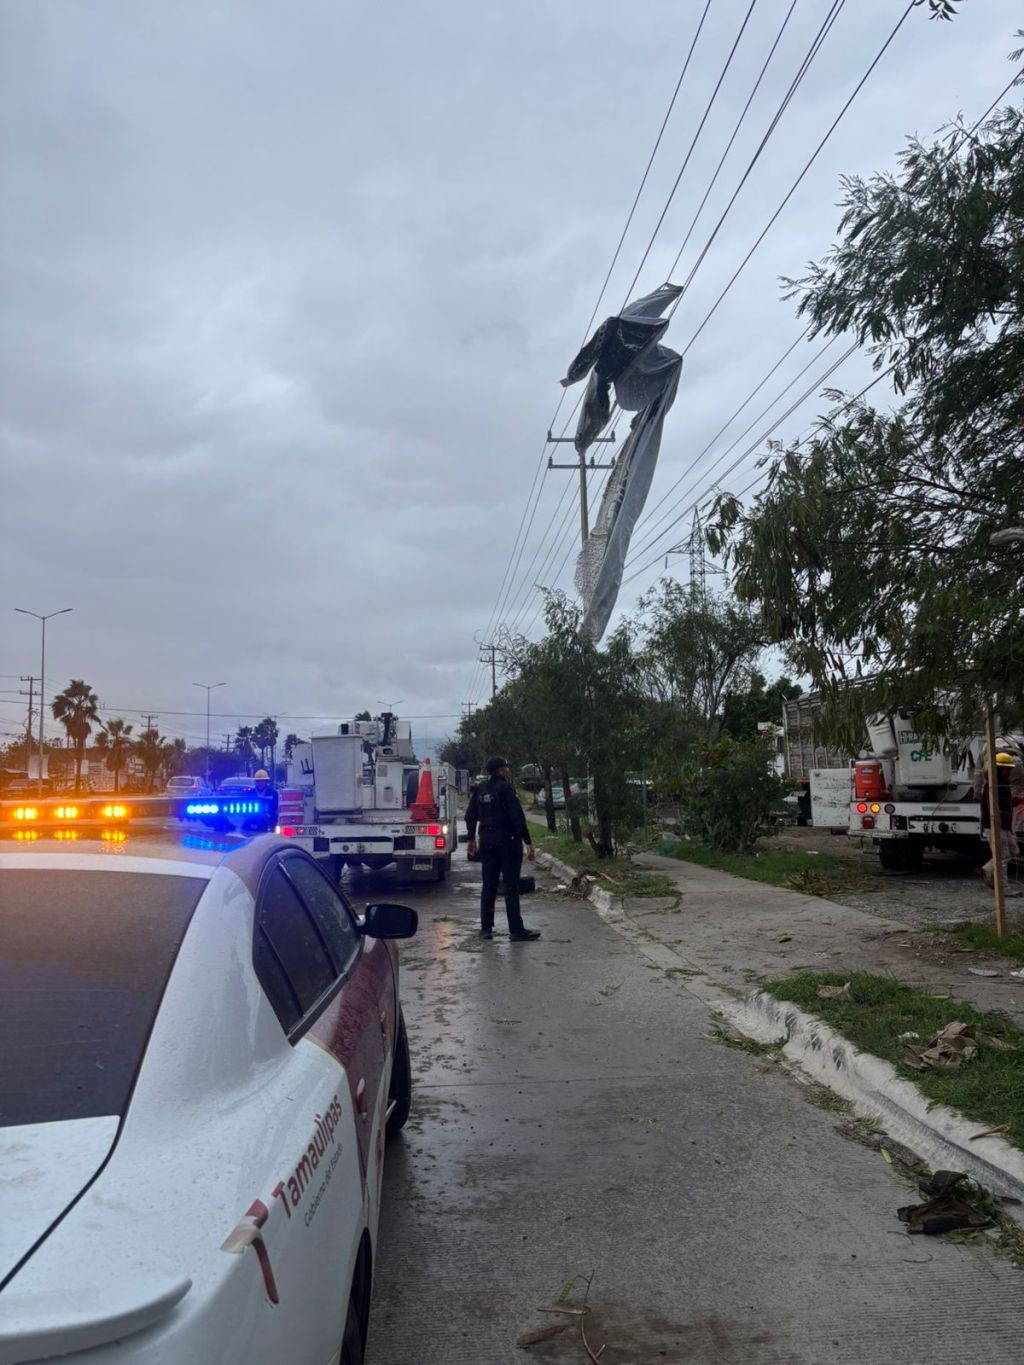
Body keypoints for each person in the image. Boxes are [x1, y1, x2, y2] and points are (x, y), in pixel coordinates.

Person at [465, 757, 540, 941]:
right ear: (500, 771)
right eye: (506, 768)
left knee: (489, 885)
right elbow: (517, 817)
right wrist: (528, 842)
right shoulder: (506, 788)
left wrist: (471, 839)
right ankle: (516, 930)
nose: (508, 770)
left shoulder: (480, 789)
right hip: (507, 842)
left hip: (487, 841)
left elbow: (470, 815)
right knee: (511, 886)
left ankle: (486, 929)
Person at [980, 752, 1022, 896]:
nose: (1009, 771)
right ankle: (1003, 888)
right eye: (1006, 768)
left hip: (1004, 825)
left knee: (1014, 850)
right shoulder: (992, 785)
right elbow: (992, 806)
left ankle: (988, 868)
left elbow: (1005, 804)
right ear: (999, 768)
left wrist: (1017, 802)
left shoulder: (1002, 783)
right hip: (995, 826)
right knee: (1002, 857)